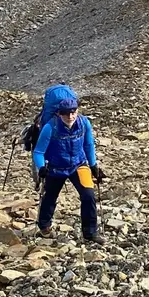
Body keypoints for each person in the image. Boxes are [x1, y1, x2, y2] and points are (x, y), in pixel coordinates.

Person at [31, 86, 98, 242]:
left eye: (73, 112)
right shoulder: (50, 127)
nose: (70, 116)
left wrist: (93, 165)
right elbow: (39, 152)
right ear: (59, 113)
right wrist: (41, 167)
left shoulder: (84, 123)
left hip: (79, 165)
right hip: (55, 168)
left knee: (89, 196)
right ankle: (44, 227)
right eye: (66, 113)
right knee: (50, 197)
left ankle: (90, 233)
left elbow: (88, 145)